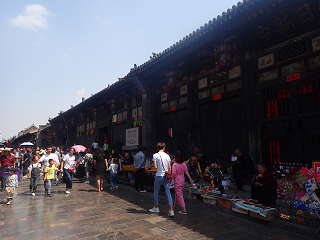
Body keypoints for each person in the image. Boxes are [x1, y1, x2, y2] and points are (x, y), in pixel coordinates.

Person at [149, 142, 174, 217]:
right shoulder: (167, 156)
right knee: (168, 192)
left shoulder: (155, 155)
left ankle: (156, 207)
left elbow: (155, 167)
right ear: (164, 148)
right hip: (166, 175)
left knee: (156, 192)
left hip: (159, 175)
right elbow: (170, 167)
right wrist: (169, 175)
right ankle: (171, 210)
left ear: (157, 148)